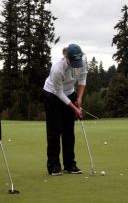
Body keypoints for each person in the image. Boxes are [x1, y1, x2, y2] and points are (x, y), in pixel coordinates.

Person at [43, 44, 87, 175]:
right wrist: (75, 109)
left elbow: (82, 80)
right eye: (73, 62)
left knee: (69, 131)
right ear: (66, 58)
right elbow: (59, 93)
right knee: (54, 131)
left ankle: (69, 164)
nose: (75, 65)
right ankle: (54, 166)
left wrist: (79, 98)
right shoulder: (57, 69)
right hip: (52, 94)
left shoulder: (81, 63)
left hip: (70, 92)